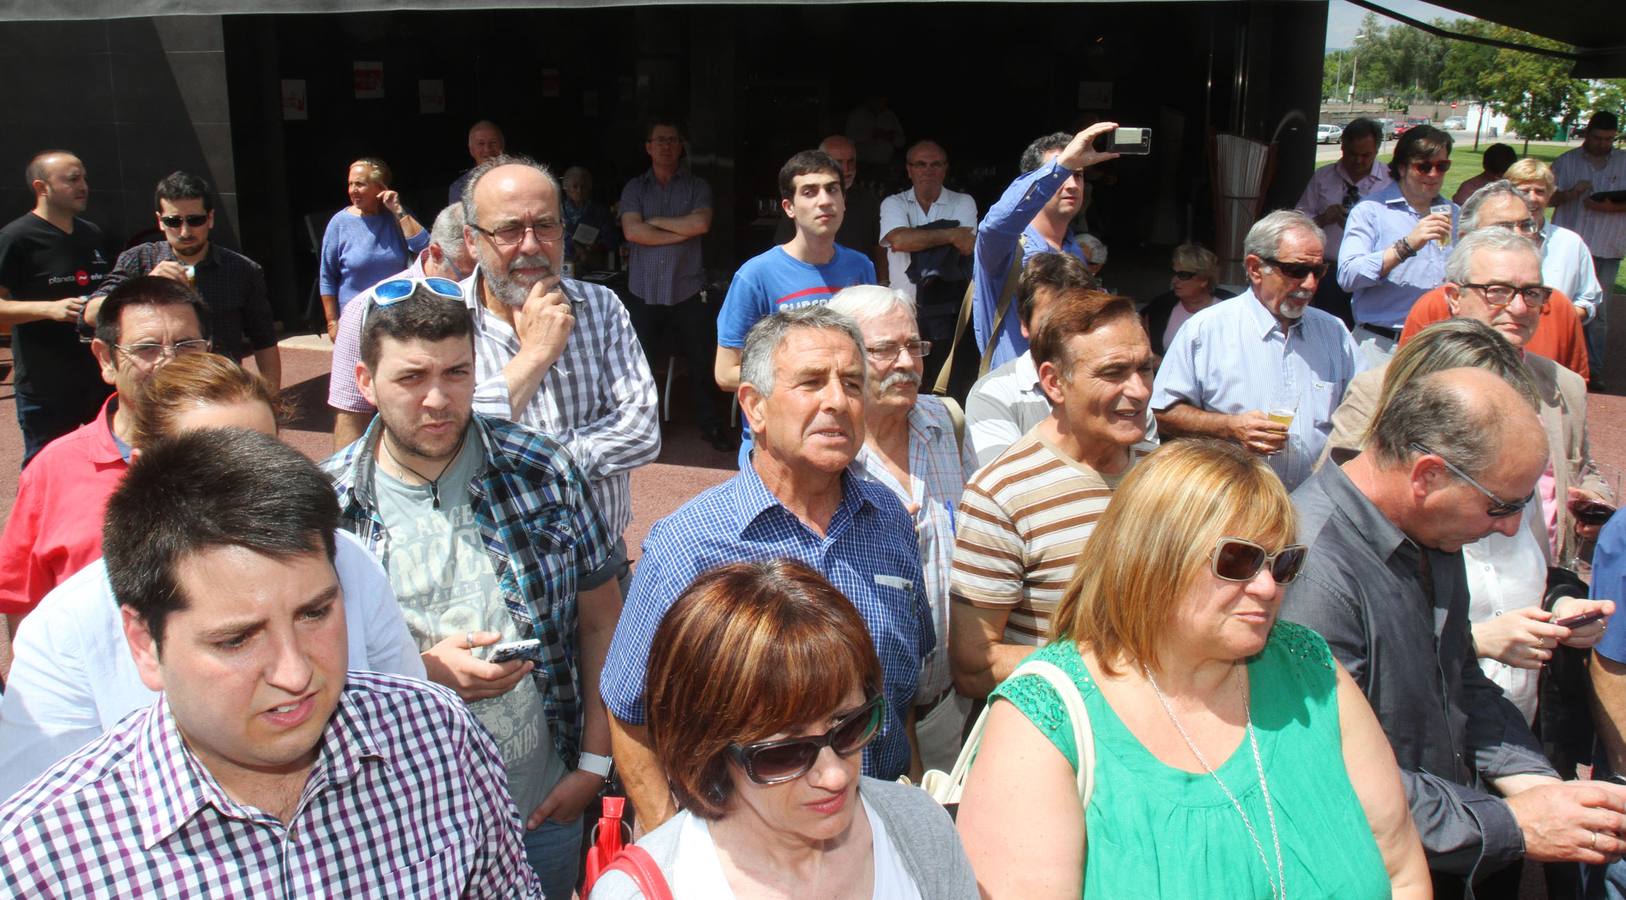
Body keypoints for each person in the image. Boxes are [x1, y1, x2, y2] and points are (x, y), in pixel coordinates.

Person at [0, 429, 538, 897]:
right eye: (236, 640)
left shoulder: (438, 738)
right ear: (145, 644)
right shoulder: (38, 861)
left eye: (315, 613)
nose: (295, 673)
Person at [956, 438, 1429, 899]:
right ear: (1154, 558)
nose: (1268, 587)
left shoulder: (1311, 672)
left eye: (1283, 563)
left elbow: (1403, 872)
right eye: (1240, 559)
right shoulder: (1045, 720)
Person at [0, 354, 427, 799]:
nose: (245, 492)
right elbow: (40, 808)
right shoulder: (65, 628)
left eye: (314, 612)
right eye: (234, 639)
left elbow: (408, 720)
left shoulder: (349, 562)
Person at [324, 284, 620, 897]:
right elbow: (309, 669)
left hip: (540, 807)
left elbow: (600, 619)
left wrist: (593, 765)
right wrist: (424, 673)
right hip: (394, 826)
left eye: (456, 372)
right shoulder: (325, 509)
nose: (438, 399)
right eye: (411, 377)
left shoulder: (543, 468)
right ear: (364, 379)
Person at [1284, 367, 1626, 895]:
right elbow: (1325, 775)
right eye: (1503, 506)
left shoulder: (1430, 531)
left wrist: (1540, 787)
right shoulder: (1311, 571)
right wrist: (1512, 824)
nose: (1512, 527)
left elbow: (1460, 678)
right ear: (1427, 476)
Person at [603, 307, 932, 828]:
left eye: (851, 383)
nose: (837, 401)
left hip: (875, 832)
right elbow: (630, 714)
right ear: (754, 407)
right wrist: (676, 854)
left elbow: (900, 696)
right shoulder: (690, 546)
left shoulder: (889, 520)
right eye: (810, 382)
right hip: (742, 852)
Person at [589, 560, 976, 900]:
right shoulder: (636, 892)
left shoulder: (921, 830)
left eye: (850, 727)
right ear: (707, 749)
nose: (835, 774)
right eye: (784, 754)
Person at [1318, 320, 1610, 743]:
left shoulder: (1504, 485)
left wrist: (1561, 603)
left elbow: (1532, 569)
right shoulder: (1386, 529)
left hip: (1505, 734)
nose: (1509, 525)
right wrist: (1479, 642)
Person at [1326, 229, 1612, 569]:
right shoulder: (1385, 388)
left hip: (1539, 591)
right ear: (1453, 296)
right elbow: (1338, 498)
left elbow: (1581, 468)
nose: (1519, 307)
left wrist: (1595, 495)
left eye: (1532, 293)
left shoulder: (1564, 386)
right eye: (1498, 292)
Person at [461, 154, 661, 597]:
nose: (531, 245)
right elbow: (457, 448)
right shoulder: (444, 321)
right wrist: (535, 355)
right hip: (491, 580)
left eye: (546, 227)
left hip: (601, 563)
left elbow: (643, 430)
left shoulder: (601, 308)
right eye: (510, 230)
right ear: (472, 241)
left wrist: (528, 464)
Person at [950, 289, 1156, 700]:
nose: (1139, 390)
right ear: (1054, 383)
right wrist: (1105, 667)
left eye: (1145, 369)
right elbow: (974, 666)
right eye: (1114, 373)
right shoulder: (1002, 494)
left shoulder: (1163, 473)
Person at [828, 285, 978, 773]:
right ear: (845, 356)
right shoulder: (827, 452)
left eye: (914, 346)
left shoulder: (947, 424)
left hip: (949, 710)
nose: (908, 363)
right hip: (859, 726)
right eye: (886, 349)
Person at [0, 276, 210, 625]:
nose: (169, 362)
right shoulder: (52, 470)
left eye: (187, 344)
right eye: (146, 349)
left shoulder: (238, 451)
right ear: (106, 360)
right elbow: (24, 601)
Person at [1152, 210, 1361, 491]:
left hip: (1317, 505)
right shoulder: (1206, 330)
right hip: (1234, 502)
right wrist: (1229, 426)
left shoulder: (1334, 332)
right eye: (1296, 270)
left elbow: (1363, 411)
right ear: (1254, 268)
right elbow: (1161, 412)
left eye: (1318, 271)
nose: (1310, 284)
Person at [715, 150, 877, 465]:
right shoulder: (755, 276)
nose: (824, 200)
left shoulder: (861, 268)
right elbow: (725, 372)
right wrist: (802, 381)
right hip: (776, 448)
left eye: (832, 189)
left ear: (844, 201)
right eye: (809, 191)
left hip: (844, 441)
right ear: (789, 207)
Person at [87, 170, 280, 388]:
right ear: (160, 221)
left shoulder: (242, 269)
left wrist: (271, 400)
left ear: (210, 218)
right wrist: (145, 286)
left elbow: (264, 339)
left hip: (219, 388)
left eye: (195, 220)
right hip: (155, 387)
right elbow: (92, 314)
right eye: (173, 221)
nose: (185, 231)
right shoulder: (139, 259)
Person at [1399, 179, 1592, 380]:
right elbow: (1407, 387)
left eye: (1526, 225)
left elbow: (1573, 388)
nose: (1519, 236)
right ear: (1466, 237)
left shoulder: (1558, 307)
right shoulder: (1434, 307)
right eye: (1502, 228)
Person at [619, 118, 730, 452]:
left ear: (681, 146)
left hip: (687, 289)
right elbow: (632, 232)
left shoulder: (697, 186)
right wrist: (681, 231)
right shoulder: (635, 188)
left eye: (672, 140)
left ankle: (710, 425)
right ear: (648, 147)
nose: (666, 146)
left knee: (701, 362)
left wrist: (653, 222)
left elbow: (701, 223)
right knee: (641, 365)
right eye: (660, 140)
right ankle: (643, 429)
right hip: (644, 291)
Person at [971, 123, 1120, 371]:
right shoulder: (1005, 246)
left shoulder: (1074, 249)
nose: (1072, 184)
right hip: (1017, 400)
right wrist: (1060, 168)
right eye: (1064, 175)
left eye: (1079, 175)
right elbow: (995, 226)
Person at [329, 203, 475, 450]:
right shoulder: (364, 309)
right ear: (435, 254)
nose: (476, 285)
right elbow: (351, 416)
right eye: (468, 274)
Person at [0, 150, 112, 465]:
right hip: (46, 385)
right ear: (42, 187)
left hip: (98, 379)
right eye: (72, 179)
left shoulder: (92, 234)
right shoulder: (16, 238)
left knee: (105, 465)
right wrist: (50, 309)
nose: (83, 186)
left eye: (84, 178)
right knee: (46, 469)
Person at [1338, 124, 1458, 365]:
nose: (1433, 175)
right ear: (1402, 167)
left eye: (1441, 166)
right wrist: (1407, 246)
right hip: (1384, 345)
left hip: (1440, 347)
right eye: (1423, 167)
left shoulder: (1454, 213)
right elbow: (1348, 277)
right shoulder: (1371, 211)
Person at [963, 252, 1094, 466]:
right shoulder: (994, 394)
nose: (1064, 331)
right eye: (1050, 320)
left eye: (1077, 317)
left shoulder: (1120, 385)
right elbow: (1006, 486)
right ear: (1024, 323)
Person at [879, 139, 978, 388]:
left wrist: (918, 237)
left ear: (945, 169)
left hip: (951, 311)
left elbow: (966, 245)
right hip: (903, 309)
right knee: (905, 382)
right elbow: (899, 240)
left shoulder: (963, 202)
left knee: (949, 385)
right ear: (909, 169)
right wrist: (950, 234)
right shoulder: (893, 203)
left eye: (935, 164)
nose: (928, 170)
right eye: (921, 164)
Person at [319, 157, 429, 339]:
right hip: (356, 319)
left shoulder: (397, 216)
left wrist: (398, 210)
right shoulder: (339, 223)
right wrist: (332, 322)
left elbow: (425, 249)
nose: (353, 190)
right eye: (350, 184)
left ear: (380, 188)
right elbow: (327, 276)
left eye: (360, 184)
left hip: (397, 317)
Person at [1296, 118, 1391, 327]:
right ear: (1342, 147)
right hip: (1330, 272)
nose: (1358, 161)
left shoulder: (1390, 181)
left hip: (1371, 272)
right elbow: (1298, 222)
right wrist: (1322, 219)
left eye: (1365, 155)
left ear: (1376, 150)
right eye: (1352, 154)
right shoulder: (1323, 176)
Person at [1551, 112, 1626, 373]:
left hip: (1607, 244)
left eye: (1609, 139)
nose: (1603, 144)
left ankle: (1593, 367)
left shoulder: (1624, 162)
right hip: (1568, 247)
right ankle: (1559, 359)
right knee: (1562, 304)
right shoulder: (1565, 163)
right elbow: (1545, 198)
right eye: (1598, 138)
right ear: (1587, 132)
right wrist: (1572, 193)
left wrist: (1609, 207)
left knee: (1599, 310)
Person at [1508, 156, 1605, 326]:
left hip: (1552, 341)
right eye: (1524, 191)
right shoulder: (1490, 240)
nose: (1532, 198)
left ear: (1550, 195)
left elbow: (1588, 299)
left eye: (1540, 191)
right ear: (1507, 194)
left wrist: (1555, 324)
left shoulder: (1571, 244)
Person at [777, 135, 884, 268]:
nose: (846, 169)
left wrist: (883, 282)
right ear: (790, 208)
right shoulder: (760, 273)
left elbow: (879, 245)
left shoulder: (863, 266)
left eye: (851, 162)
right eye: (809, 193)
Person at [1140, 242, 1234, 359]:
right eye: (1174, 274)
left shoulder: (1230, 309)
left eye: (1183, 275)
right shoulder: (1160, 308)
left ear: (1203, 280)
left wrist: (1159, 363)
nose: (1175, 280)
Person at [560, 166, 617, 269]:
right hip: (564, 266)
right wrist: (574, 246)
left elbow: (612, 240)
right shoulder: (557, 211)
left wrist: (596, 247)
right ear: (565, 187)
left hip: (593, 265)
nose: (579, 191)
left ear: (589, 187)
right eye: (575, 186)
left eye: (583, 187)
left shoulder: (600, 212)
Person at [450, 119, 506, 206]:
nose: (487, 149)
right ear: (471, 149)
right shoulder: (460, 187)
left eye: (493, 142)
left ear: (502, 146)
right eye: (481, 143)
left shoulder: (518, 178)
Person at [1452, 143, 1517, 207]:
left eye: (1502, 176)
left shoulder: (1518, 189)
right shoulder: (1468, 190)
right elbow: (1457, 214)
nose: (1498, 181)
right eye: (1494, 176)